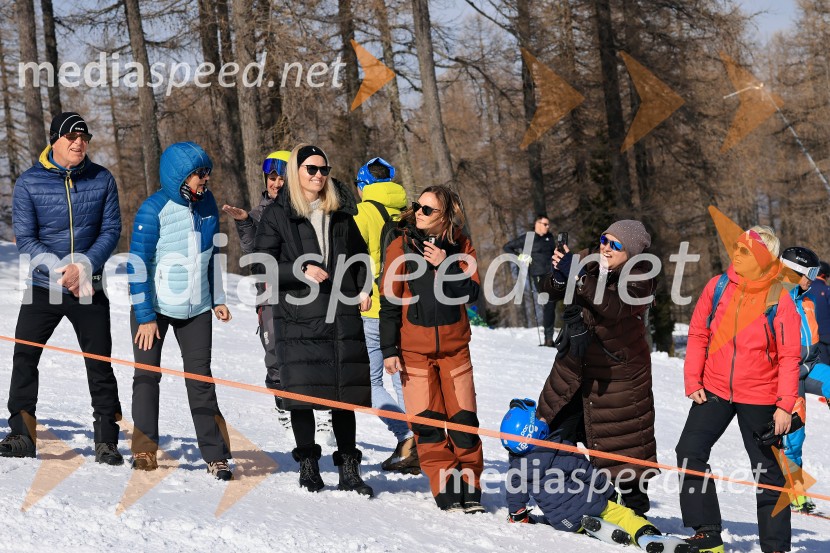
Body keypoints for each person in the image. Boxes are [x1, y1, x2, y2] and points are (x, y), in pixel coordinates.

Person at [0, 112, 123, 464]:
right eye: (72, 136)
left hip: (89, 284)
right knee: (24, 356)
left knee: (99, 362)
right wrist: (60, 270)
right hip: (44, 285)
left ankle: (106, 440)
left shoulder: (102, 179)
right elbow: (26, 239)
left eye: (84, 137)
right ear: (55, 139)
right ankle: (22, 435)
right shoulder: (28, 183)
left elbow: (110, 230)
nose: (79, 143)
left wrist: (83, 265)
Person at [254, 143, 374, 496]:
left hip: (341, 313)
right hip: (299, 316)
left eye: (324, 169)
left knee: (342, 393)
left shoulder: (340, 211)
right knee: (302, 392)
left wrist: (364, 287)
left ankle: (349, 468)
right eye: (312, 169)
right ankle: (308, 464)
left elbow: (360, 255)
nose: (319, 175)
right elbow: (261, 263)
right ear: (297, 171)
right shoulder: (278, 213)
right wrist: (299, 269)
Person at [677, 226, 800, 553]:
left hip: (761, 396)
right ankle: (707, 531)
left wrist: (785, 405)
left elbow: (790, 355)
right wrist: (693, 379)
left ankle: (775, 546)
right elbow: (698, 334)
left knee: (768, 472)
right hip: (714, 388)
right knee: (689, 451)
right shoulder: (717, 286)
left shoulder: (779, 297)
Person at [536, 220, 657, 517]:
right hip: (574, 368)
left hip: (618, 377)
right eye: (604, 239)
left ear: (630, 251)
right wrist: (559, 274)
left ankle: (636, 513)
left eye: (615, 244)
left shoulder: (641, 276)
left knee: (624, 452)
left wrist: (577, 277)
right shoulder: (588, 260)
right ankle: (569, 498)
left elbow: (614, 306)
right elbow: (547, 289)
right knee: (553, 429)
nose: (605, 247)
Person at [128, 142, 233, 480]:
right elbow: (137, 266)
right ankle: (144, 450)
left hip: (197, 308)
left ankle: (216, 456)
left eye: (207, 172)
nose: (205, 179)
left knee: (200, 380)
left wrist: (217, 297)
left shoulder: (208, 205)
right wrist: (144, 316)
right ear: (180, 176)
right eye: (199, 174)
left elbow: (214, 253)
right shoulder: (151, 210)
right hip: (155, 309)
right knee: (147, 377)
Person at [379, 185, 484, 512]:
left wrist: (446, 264)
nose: (419, 213)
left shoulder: (461, 244)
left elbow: (472, 293)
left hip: (455, 350)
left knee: (463, 422)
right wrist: (388, 349)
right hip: (414, 352)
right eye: (418, 207)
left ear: (446, 216)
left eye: (428, 210)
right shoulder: (401, 244)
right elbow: (389, 301)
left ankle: (470, 484)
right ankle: (444, 484)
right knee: (427, 423)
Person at [501, 399, 690, 552]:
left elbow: (515, 496)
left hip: (562, 521)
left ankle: (594, 530)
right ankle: (646, 535)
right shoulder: (561, 449)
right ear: (535, 430)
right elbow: (588, 474)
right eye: (539, 418)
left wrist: (518, 516)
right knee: (623, 514)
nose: (544, 419)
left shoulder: (517, 468)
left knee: (551, 519)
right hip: (589, 503)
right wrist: (611, 494)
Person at [353, 157, 418, 474]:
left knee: (371, 380)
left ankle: (407, 436)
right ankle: (418, 436)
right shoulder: (409, 211)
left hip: (375, 307)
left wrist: (361, 289)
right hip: (407, 305)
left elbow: (354, 256)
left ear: (364, 185)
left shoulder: (364, 212)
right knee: (401, 374)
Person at [780, 247, 830, 513]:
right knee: (794, 437)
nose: (814, 278)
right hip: (787, 375)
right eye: (809, 273)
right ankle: (794, 492)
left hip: (810, 367)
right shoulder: (774, 300)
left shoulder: (807, 301)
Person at [503, 215, 557, 346]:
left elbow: (554, 253)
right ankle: (548, 339)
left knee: (552, 303)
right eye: (545, 224)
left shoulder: (550, 238)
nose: (547, 227)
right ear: (537, 224)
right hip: (538, 274)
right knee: (549, 301)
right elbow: (507, 247)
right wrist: (521, 256)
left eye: (548, 224)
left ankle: (550, 338)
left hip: (552, 274)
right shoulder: (528, 237)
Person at [806, 260, 830, 365]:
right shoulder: (827, 290)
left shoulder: (804, 289)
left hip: (809, 335)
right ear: (825, 275)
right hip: (826, 334)